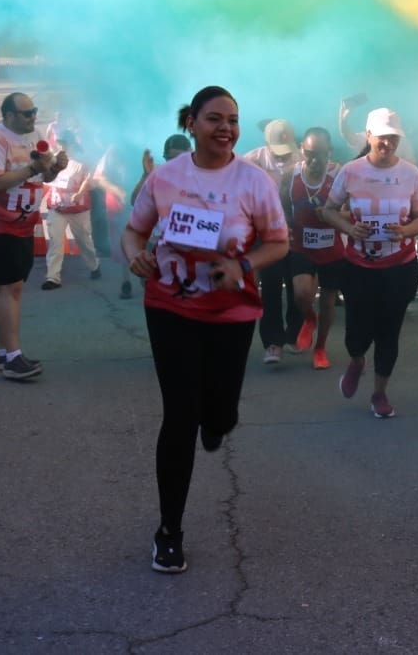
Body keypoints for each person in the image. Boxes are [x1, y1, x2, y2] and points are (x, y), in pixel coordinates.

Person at [121, 85, 289, 574]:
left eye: (232, 120)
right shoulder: (166, 178)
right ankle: (168, 531)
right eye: (214, 119)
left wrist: (242, 265)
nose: (226, 128)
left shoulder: (254, 181)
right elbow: (134, 231)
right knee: (180, 416)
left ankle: (216, 423)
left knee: (219, 413)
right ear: (190, 124)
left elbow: (278, 242)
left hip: (231, 312)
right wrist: (136, 256)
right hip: (169, 306)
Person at [317, 108, 418, 419]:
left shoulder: (411, 174)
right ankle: (356, 360)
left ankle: (379, 393)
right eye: (382, 137)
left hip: (400, 267)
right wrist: (350, 229)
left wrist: (405, 231)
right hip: (359, 268)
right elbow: (328, 210)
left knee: (388, 332)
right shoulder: (351, 171)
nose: (388, 143)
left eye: (393, 138)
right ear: (368, 136)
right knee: (357, 334)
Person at [0, 92, 67, 381]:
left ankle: (3, 353)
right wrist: (32, 168)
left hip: (20, 224)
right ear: (10, 115)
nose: (33, 116)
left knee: (9, 288)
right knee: (10, 287)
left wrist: (54, 168)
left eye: (34, 111)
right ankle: (13, 358)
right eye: (27, 113)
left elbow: (42, 176)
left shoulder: (34, 137)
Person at [282, 127, 345, 370]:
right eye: (310, 153)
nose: (315, 160)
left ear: (329, 151)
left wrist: (332, 215)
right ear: (301, 150)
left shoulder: (339, 174)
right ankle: (309, 318)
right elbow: (283, 207)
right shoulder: (291, 175)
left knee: (328, 302)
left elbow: (353, 211)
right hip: (302, 246)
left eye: (320, 154)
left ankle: (320, 347)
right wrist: (286, 227)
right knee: (301, 295)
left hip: (332, 248)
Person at [247, 119, 302, 364]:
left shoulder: (301, 159)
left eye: (286, 151)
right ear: (267, 143)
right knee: (270, 287)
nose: (283, 156)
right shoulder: (251, 161)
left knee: (297, 288)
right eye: (278, 151)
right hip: (266, 235)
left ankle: (294, 333)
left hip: (296, 233)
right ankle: (273, 342)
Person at [121, 135, 191, 300]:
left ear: (190, 152)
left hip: (190, 247)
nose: (174, 163)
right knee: (156, 292)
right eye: (169, 159)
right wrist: (145, 175)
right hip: (158, 243)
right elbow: (135, 201)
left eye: (179, 158)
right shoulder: (157, 173)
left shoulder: (205, 174)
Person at [40, 131, 103, 290]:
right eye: (60, 143)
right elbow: (45, 179)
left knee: (84, 241)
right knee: (55, 242)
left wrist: (80, 193)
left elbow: (89, 180)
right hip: (57, 207)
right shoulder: (53, 160)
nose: (61, 146)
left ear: (72, 144)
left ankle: (94, 265)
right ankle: (53, 277)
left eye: (65, 143)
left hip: (78, 209)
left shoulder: (83, 161)